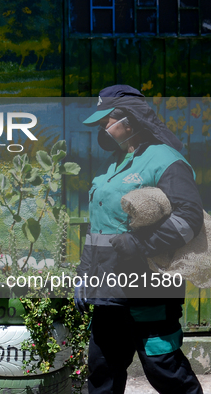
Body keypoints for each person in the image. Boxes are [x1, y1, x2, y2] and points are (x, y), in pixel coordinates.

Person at [74, 85, 204, 394]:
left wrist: (142, 244)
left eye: (106, 121)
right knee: (102, 370)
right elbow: (100, 229)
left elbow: (189, 217)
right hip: (107, 290)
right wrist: (83, 276)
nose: (102, 129)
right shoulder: (115, 165)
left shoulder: (165, 160)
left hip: (148, 289)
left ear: (128, 121)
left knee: (165, 370)